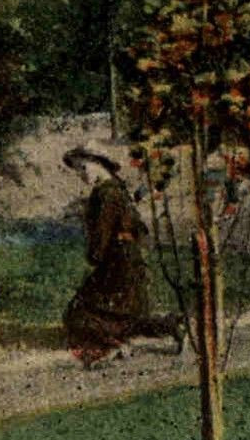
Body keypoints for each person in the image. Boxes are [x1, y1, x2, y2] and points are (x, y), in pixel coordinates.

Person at [61, 147, 183, 368]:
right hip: (128, 261)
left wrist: (96, 255)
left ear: (99, 163)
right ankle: (168, 325)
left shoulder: (106, 194)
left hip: (118, 263)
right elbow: (138, 228)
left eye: (84, 168)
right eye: (79, 170)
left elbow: (102, 234)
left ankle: (113, 347)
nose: (82, 174)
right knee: (125, 314)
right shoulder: (117, 189)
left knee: (80, 314)